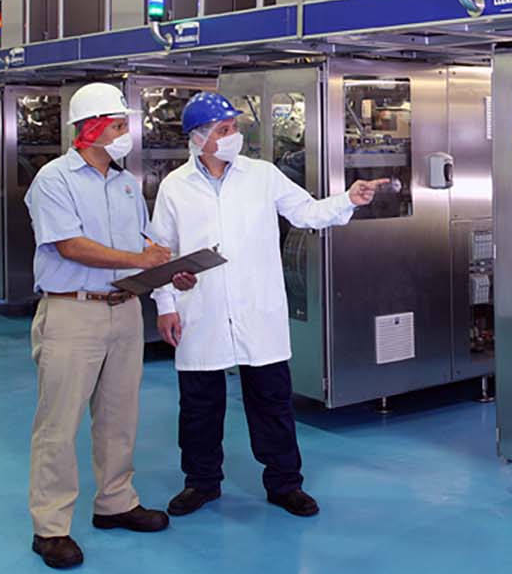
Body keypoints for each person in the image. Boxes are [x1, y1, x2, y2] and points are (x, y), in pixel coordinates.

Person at [147, 91, 387, 521]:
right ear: (199, 138)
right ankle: (200, 482)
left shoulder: (261, 175)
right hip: (199, 308)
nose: (234, 136)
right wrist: (165, 303)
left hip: (258, 309)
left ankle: (284, 483)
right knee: (199, 405)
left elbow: (307, 213)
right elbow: (161, 251)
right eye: (224, 130)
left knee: (272, 402)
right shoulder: (174, 188)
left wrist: (349, 199)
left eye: (234, 128)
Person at [21, 81, 173, 570]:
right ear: (91, 130)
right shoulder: (53, 180)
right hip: (72, 311)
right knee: (58, 423)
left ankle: (115, 502)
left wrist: (170, 271)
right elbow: (71, 246)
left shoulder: (127, 183)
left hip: (124, 309)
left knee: (118, 416)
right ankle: (51, 527)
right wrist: (139, 257)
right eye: (118, 125)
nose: (125, 133)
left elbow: (147, 243)